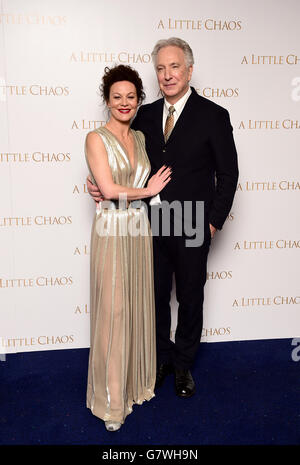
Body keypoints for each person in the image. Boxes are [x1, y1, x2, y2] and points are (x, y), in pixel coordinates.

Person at [87, 37, 238, 400]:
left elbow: (228, 174)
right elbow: (121, 151)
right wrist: (97, 183)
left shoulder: (214, 115)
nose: (167, 75)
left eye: (174, 67)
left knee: (189, 295)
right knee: (152, 296)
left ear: (189, 69)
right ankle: (159, 359)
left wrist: (213, 222)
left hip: (190, 220)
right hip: (148, 221)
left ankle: (183, 364)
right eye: (160, 68)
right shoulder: (146, 114)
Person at [85, 64, 171, 432]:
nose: (124, 102)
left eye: (131, 97)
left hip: (139, 229)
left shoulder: (139, 137)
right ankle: (111, 401)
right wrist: (147, 190)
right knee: (114, 312)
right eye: (117, 96)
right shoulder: (95, 138)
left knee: (136, 307)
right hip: (112, 229)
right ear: (107, 101)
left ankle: (134, 386)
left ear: (138, 102)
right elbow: (107, 189)